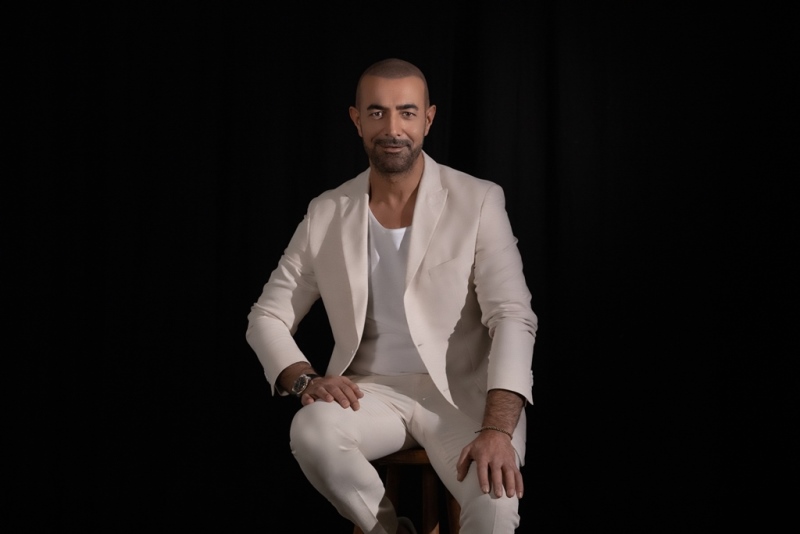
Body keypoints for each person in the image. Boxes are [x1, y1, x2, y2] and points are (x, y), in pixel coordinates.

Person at [246, 58, 537, 534]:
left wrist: (497, 428)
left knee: (495, 506)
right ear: (357, 120)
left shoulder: (478, 199)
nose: (392, 127)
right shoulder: (327, 211)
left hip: (463, 397)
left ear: (428, 119)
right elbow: (267, 316)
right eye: (377, 112)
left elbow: (512, 316)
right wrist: (302, 379)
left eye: (407, 112)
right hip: (370, 393)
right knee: (311, 431)